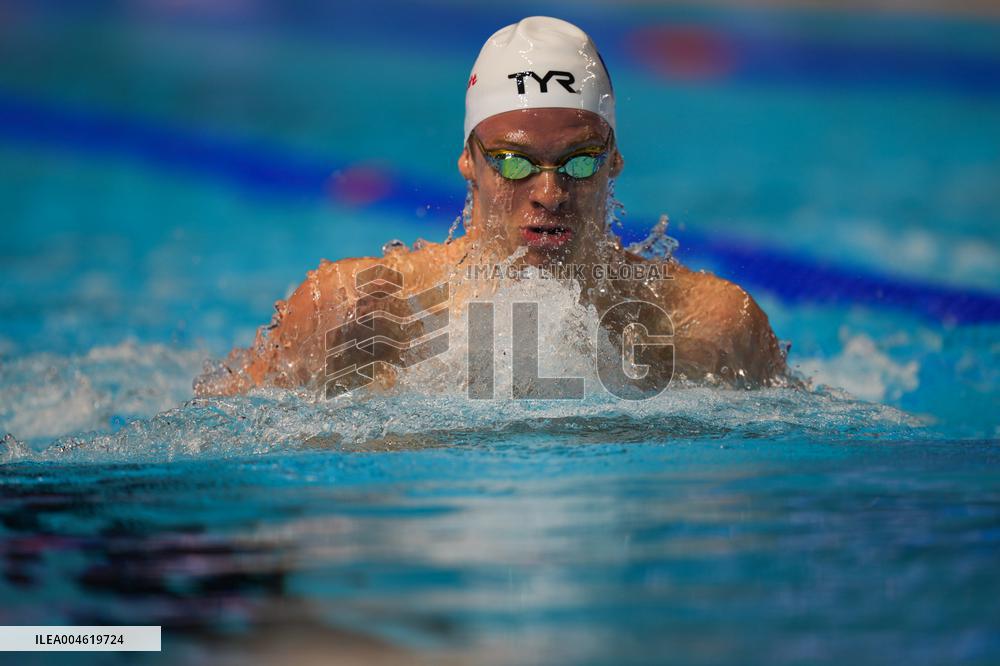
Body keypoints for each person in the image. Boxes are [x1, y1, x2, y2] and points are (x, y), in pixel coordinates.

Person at [195, 16, 788, 398]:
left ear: (614, 162)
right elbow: (211, 435)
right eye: (512, 162)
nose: (550, 194)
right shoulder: (358, 311)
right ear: (467, 162)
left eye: (580, 161)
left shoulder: (710, 325)